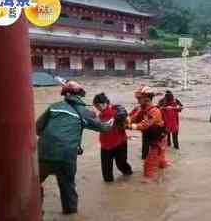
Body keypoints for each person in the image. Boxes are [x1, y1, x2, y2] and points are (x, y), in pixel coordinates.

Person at [36, 80, 113, 214]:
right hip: (66, 156)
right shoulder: (85, 112)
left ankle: (35, 211)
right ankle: (70, 213)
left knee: (33, 183)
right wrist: (112, 121)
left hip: (43, 152)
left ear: (64, 94)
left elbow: (37, 128)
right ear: (80, 96)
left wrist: (51, 138)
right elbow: (104, 128)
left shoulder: (54, 107)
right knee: (67, 186)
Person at [128, 86, 168, 183]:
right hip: (153, 138)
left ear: (147, 98)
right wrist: (125, 120)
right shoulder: (141, 109)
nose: (137, 100)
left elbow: (143, 125)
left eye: (139, 98)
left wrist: (128, 126)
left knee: (148, 164)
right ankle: (164, 172)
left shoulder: (154, 111)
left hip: (158, 140)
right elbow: (133, 117)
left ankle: (149, 181)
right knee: (161, 161)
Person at [93, 93, 133, 183]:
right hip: (105, 146)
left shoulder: (117, 112)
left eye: (97, 106)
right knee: (106, 172)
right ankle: (109, 192)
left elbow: (127, 119)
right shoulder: (100, 116)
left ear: (104, 103)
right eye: (95, 106)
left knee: (121, 165)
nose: (97, 108)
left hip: (119, 144)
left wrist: (123, 119)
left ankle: (130, 179)